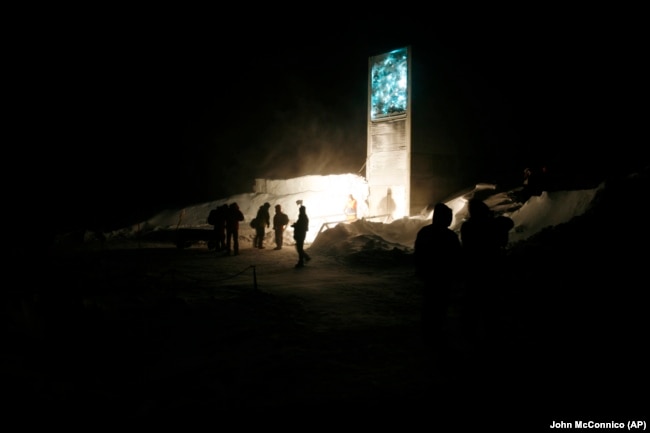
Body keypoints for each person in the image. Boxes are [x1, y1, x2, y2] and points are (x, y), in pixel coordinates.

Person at [460, 198, 513, 346]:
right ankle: (492, 335)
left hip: (474, 270)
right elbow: (506, 229)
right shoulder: (491, 225)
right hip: (490, 268)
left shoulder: (468, 226)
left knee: (472, 304)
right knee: (490, 305)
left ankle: (470, 334)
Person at [413, 203, 462, 350]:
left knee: (430, 302)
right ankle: (435, 331)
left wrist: (420, 269)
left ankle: (428, 331)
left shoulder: (425, 232)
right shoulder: (449, 236)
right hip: (442, 275)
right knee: (439, 303)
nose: (450, 220)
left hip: (430, 274)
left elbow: (418, 253)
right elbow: (457, 257)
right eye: (448, 217)